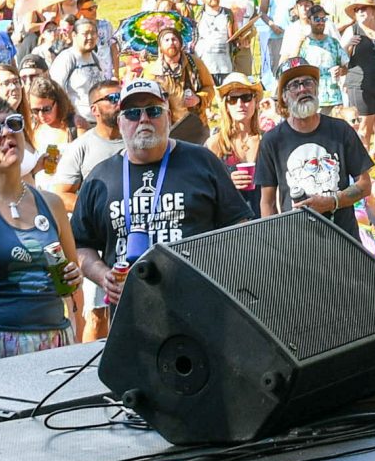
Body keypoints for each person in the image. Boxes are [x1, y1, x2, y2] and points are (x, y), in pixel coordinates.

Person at [70, 79, 252, 315]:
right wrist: (103, 275)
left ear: (168, 116)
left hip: (200, 308)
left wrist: (219, 272)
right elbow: (81, 245)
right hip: (132, 314)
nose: (144, 119)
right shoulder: (100, 177)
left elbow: (240, 225)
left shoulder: (203, 162)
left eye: (153, 111)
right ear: (121, 121)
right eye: (133, 113)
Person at [0, 98, 80, 364]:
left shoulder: (51, 204)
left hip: (49, 339)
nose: (7, 132)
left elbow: (70, 284)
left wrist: (72, 277)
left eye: (13, 124)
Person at [256, 59, 375, 239]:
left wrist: (332, 202)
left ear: (316, 88)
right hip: (296, 245)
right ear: (283, 96)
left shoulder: (341, 130)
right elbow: (267, 202)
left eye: (307, 82)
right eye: (294, 85)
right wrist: (274, 242)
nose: (302, 89)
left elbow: (365, 185)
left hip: (344, 239)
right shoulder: (272, 141)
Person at [339, 0, 375, 198]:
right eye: (357, 9)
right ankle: (364, 175)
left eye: (364, 8)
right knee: (363, 130)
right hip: (360, 85)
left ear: (374, 11)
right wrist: (348, 46)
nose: (361, 12)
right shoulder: (351, 31)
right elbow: (339, 57)